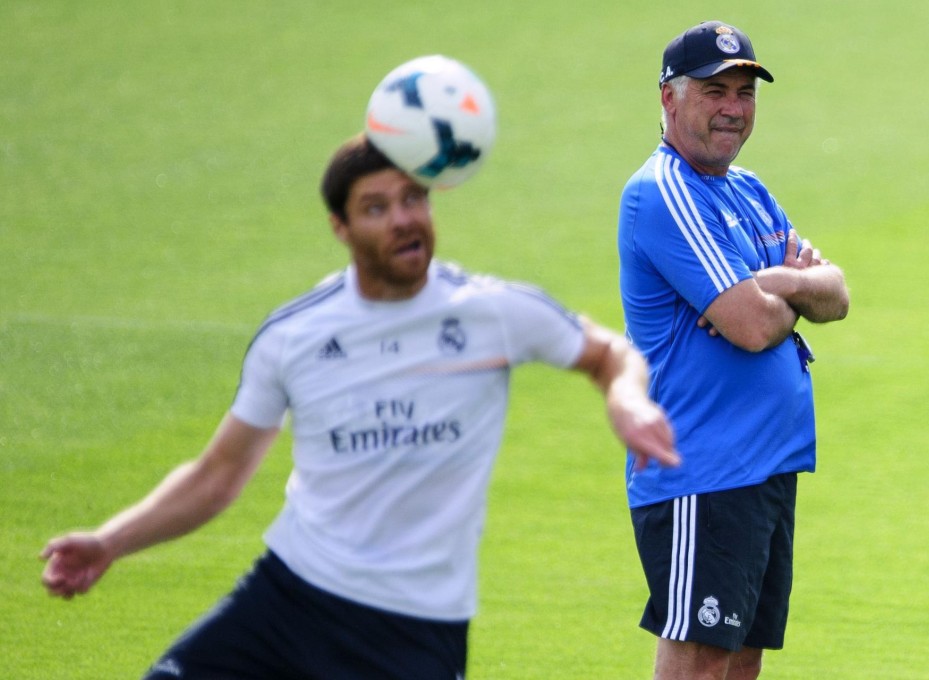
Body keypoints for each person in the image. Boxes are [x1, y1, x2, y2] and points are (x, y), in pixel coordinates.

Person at [41, 133, 680, 680]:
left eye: (413, 199)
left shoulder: (489, 313)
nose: (404, 219)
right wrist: (108, 542)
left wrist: (625, 398)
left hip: (415, 628)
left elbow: (607, 352)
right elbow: (218, 475)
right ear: (341, 230)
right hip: (291, 597)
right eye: (377, 208)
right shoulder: (295, 336)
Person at [617, 20, 850, 680]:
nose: (733, 109)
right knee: (701, 664)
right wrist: (779, 295)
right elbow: (751, 326)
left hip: (767, 467)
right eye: (714, 90)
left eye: (744, 93)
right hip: (706, 470)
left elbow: (835, 294)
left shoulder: (747, 190)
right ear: (669, 98)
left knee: (740, 662)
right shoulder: (662, 192)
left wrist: (781, 282)